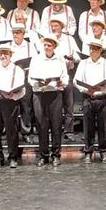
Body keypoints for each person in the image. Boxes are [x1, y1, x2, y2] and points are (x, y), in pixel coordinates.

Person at [28, 35, 69, 167]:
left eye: (49, 45)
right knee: (41, 126)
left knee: (56, 125)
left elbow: (65, 76)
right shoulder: (36, 58)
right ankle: (43, 155)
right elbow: (30, 78)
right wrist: (38, 83)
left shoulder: (60, 59)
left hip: (55, 94)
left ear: (54, 46)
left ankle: (56, 155)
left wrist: (62, 82)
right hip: (40, 94)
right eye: (45, 45)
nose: (46, 47)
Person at [73, 39, 106, 164]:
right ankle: (88, 152)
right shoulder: (83, 63)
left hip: (102, 97)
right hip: (88, 97)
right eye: (91, 48)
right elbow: (76, 80)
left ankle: (103, 152)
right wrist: (85, 89)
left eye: (95, 49)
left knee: (103, 126)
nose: (92, 51)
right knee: (88, 127)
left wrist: (101, 88)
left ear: (100, 50)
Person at [0, 44, 26, 168]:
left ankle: (13, 157)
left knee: (11, 130)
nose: (3, 56)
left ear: (10, 55)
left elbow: (22, 90)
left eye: (5, 53)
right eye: (1, 54)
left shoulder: (17, 70)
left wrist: (13, 95)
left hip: (10, 101)